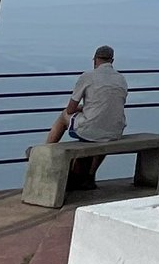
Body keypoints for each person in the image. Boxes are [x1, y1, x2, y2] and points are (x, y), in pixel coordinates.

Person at [46, 45, 130, 180]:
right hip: (115, 131)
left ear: (95, 60)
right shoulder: (121, 79)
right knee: (104, 134)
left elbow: (70, 110)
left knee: (63, 116)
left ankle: (46, 149)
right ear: (112, 61)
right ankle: (90, 174)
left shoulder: (88, 76)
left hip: (90, 130)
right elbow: (110, 105)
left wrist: (82, 108)